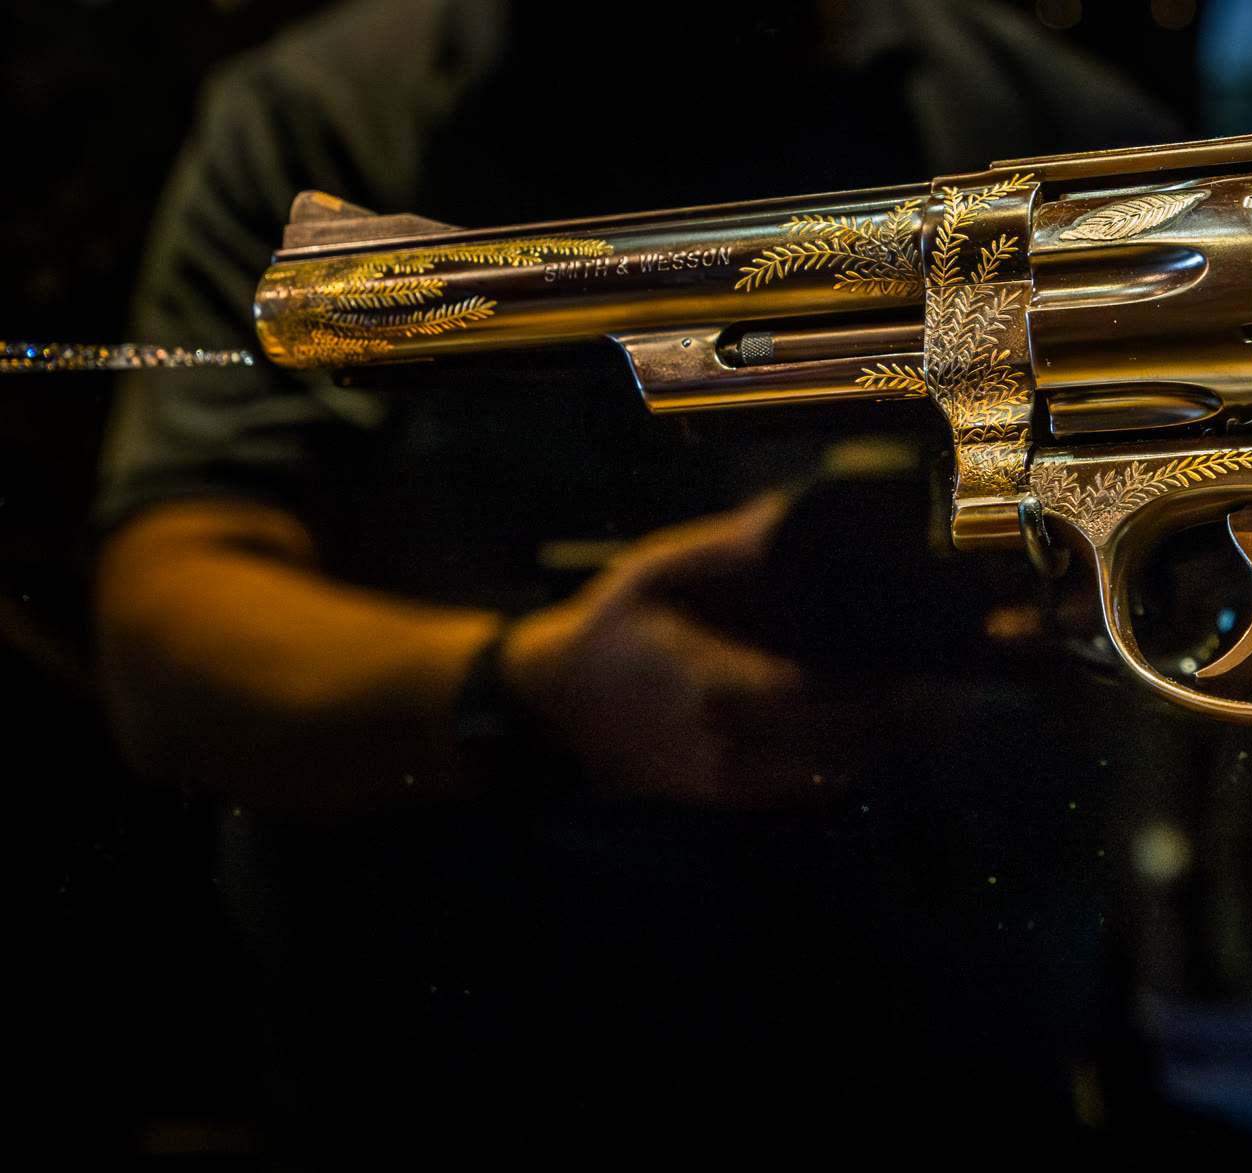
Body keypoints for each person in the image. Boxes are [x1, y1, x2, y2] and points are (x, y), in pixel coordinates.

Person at [95, 0, 1175, 1162]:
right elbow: (164, 644)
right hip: (449, 1082)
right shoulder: (328, 117)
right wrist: (524, 691)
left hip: (962, 1069)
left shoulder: (1061, 130)